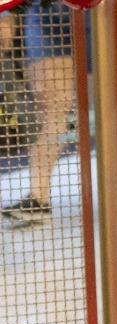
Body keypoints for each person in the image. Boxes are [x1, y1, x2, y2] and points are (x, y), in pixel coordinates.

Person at [0, 1, 76, 227]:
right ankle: (38, 198)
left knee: (54, 109)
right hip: (48, 11)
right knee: (52, 109)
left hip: (102, 12)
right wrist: (5, 14)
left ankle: (38, 199)